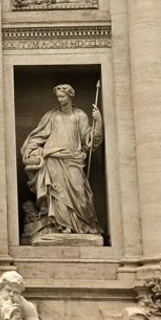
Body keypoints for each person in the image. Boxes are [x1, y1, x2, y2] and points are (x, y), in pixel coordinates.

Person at [21, 84, 104, 236]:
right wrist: (29, 149)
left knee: (80, 192)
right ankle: (62, 225)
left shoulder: (80, 116)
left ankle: (81, 224)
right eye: (58, 97)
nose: (59, 99)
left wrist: (98, 122)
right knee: (57, 193)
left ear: (70, 96)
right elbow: (39, 135)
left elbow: (90, 141)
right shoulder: (51, 116)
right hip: (52, 158)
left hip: (73, 158)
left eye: (62, 96)